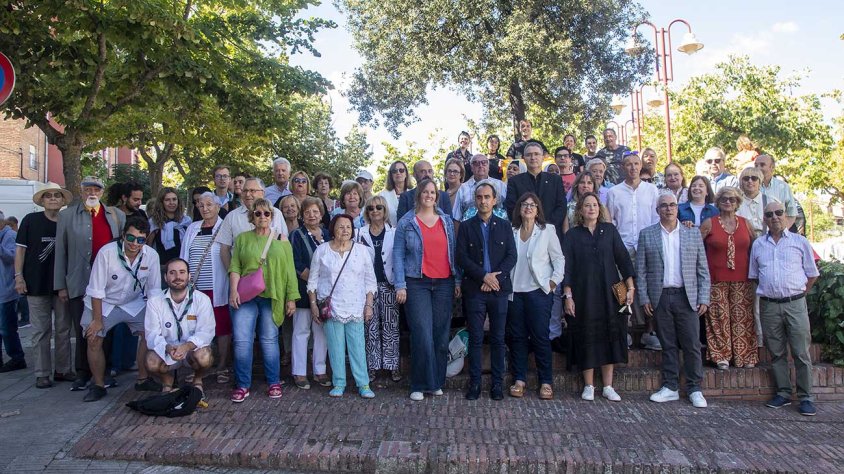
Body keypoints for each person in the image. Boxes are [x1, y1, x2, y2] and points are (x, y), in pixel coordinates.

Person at [636, 193, 710, 408]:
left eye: (672, 205)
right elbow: (641, 270)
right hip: (660, 296)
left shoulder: (691, 232)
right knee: (667, 345)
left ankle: (695, 388)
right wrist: (644, 298)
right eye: (664, 206)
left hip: (686, 296)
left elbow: (702, 269)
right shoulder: (647, 234)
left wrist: (704, 296)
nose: (668, 209)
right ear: (657, 210)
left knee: (692, 344)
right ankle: (670, 387)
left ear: (678, 208)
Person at [80, 216, 163, 402]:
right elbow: (96, 289)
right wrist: (97, 320)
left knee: (149, 333)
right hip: (104, 302)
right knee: (93, 338)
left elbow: (154, 290)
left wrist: (155, 318)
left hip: (134, 302)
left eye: (141, 240)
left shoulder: (151, 256)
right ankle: (99, 385)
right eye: (131, 238)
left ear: (146, 239)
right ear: (123, 235)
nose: (135, 244)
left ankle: (143, 379)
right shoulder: (106, 253)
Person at [55, 176, 126, 391]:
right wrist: (61, 285)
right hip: (79, 281)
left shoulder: (116, 215)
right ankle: (83, 372)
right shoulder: (67, 215)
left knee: (108, 328)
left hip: (109, 285)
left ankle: (106, 372)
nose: (92, 193)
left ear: (102, 192)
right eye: (88, 189)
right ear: (82, 191)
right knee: (83, 328)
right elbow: (61, 251)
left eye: (96, 189)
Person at [750, 201, 820, 416]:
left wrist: (798, 294)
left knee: (800, 352)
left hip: (795, 304)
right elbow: (754, 276)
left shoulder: (800, 242)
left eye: (779, 213)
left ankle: (806, 397)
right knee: (776, 352)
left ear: (787, 216)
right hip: (769, 306)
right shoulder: (759, 245)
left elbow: (813, 274)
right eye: (769, 214)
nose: (774, 217)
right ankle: (783, 392)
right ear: (765, 219)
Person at [393, 179, 459, 401]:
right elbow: (398, 255)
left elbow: (453, 252)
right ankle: (419, 384)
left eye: (433, 192)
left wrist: (457, 281)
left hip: (444, 283)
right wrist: (400, 285)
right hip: (416, 283)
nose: (429, 195)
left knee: (440, 336)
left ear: (436, 196)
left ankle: (436, 381)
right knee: (421, 333)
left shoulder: (446, 221)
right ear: (418, 194)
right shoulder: (407, 222)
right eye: (425, 192)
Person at [563, 192, 633, 401]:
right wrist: (568, 295)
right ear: (580, 210)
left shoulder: (610, 231)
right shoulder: (572, 235)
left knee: (610, 334)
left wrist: (630, 288)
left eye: (595, 205)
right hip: (583, 293)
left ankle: (608, 386)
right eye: (587, 205)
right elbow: (567, 268)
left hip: (611, 292)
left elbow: (623, 259)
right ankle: (589, 385)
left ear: (599, 209)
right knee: (586, 335)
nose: (591, 208)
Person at [228, 198, 298, 402]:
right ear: (252, 217)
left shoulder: (280, 239)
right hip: (246, 296)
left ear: (272, 216)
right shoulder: (242, 239)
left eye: (266, 213)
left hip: (272, 295)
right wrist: (233, 290)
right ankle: (242, 385)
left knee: (269, 340)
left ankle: (274, 382)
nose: (262, 217)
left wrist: (291, 298)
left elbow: (289, 270)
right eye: (257, 213)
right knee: (242, 341)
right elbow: (235, 267)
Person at [456, 183, 516, 400]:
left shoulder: (504, 226)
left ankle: (497, 384)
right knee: (476, 337)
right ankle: (475, 383)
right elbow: (461, 257)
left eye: (487, 197)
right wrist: (483, 276)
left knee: (499, 338)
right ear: (475, 200)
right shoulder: (465, 226)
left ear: (494, 200)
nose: (483, 201)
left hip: (499, 290)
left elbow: (512, 256)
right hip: (475, 290)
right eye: (479, 197)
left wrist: (494, 279)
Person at [307, 214, 377, 398]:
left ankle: (363, 384)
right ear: (333, 229)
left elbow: (370, 281)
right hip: (332, 308)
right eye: (340, 227)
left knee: (357, 347)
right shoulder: (322, 251)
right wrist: (313, 305)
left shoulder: (362, 251)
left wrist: (368, 306)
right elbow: (312, 281)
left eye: (348, 227)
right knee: (336, 347)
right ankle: (339, 383)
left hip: (355, 306)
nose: (345, 230)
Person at [12, 184, 74, 385]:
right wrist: (18, 276)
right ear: (42, 200)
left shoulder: (68, 221)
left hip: (61, 286)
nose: (53, 199)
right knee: (41, 331)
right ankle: (42, 373)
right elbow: (20, 251)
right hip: (35, 283)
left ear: (63, 200)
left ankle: (63, 370)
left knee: (63, 329)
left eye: (57, 195)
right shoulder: (30, 220)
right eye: (49, 196)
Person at [508, 193, 564, 400]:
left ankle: (546, 381)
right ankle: (519, 380)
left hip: (538, 291)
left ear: (538, 210)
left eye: (533, 205)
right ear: (519, 209)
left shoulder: (547, 231)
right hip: (515, 293)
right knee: (518, 338)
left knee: (541, 337)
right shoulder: (511, 231)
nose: (529, 208)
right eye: (525, 204)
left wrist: (553, 282)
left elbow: (558, 259)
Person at [606, 152, 660, 349]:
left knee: (649, 287)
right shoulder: (614, 192)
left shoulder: (652, 190)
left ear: (641, 166)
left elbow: (656, 219)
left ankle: (650, 330)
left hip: (647, 245)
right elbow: (610, 221)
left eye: (636, 164)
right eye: (628, 164)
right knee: (621, 288)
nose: (633, 168)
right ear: (622, 167)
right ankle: (625, 329)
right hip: (622, 247)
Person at [700, 187, 758, 370]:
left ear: (737, 203)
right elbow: (697, 249)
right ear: (718, 202)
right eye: (724, 199)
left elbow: (755, 249)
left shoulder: (746, 224)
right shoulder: (709, 223)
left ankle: (745, 355)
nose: (728, 202)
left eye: (732, 199)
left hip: (743, 279)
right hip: (715, 279)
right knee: (718, 318)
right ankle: (720, 355)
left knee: (743, 318)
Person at [180, 192, 232, 385]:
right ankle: (198, 366)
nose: (205, 208)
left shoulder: (225, 228)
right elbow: (184, 254)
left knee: (222, 327)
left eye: (209, 204)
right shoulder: (192, 228)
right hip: (196, 289)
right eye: (201, 205)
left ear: (218, 206)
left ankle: (222, 366)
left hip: (217, 287)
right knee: (195, 326)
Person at [144, 258, 215, 393]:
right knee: (150, 361)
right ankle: (167, 380)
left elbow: (207, 332)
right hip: (168, 351)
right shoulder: (154, 302)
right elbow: (152, 335)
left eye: (182, 272)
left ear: (189, 276)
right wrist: (168, 347)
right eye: (172, 273)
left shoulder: (202, 299)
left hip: (192, 351)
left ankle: (198, 379)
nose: (178, 277)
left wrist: (187, 346)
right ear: (165, 277)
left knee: (205, 357)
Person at [354, 196, 401, 383]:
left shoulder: (394, 233)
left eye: (379, 207)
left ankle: (392, 366)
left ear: (385, 210)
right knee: (370, 328)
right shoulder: (359, 233)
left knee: (391, 327)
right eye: (371, 208)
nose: (375, 211)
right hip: (368, 289)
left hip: (389, 285)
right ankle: (372, 366)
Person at [288, 198, 331, 390]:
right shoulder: (296, 235)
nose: (311, 215)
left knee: (321, 332)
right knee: (301, 332)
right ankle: (299, 372)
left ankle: (320, 371)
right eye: (307, 212)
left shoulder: (329, 234)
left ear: (321, 214)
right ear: (302, 215)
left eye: (315, 212)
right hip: (304, 291)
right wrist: (314, 279)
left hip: (324, 293)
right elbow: (296, 264)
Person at [218, 177, 288, 271]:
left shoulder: (276, 214)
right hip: (244, 276)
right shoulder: (231, 217)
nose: (247, 194)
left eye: (252, 191)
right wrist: (232, 273)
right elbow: (224, 250)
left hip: (273, 272)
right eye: (245, 190)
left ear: (262, 193)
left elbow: (284, 245)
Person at [504, 142, 566, 243]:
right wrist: (529, 226)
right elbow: (512, 207)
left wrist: (545, 227)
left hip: (551, 233)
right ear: (524, 159)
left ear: (542, 157)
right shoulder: (515, 181)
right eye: (529, 155)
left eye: (536, 154)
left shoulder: (555, 180)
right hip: (524, 234)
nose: (533, 157)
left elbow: (561, 206)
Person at [0, 210, 25, 374]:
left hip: (6, 290)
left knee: (7, 328)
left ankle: (17, 358)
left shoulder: (9, 236)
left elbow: (13, 257)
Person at [452, 154, 507, 223]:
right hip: (470, 231)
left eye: (484, 162)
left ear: (488, 166)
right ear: (471, 168)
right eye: (476, 163)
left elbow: (509, 211)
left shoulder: (501, 186)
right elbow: (456, 218)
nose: (480, 166)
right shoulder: (463, 188)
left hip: (497, 229)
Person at [148, 187, 192, 273]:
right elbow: (148, 246)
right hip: (160, 268)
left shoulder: (186, 221)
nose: (171, 203)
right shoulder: (154, 222)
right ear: (161, 202)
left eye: (174, 199)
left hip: (182, 268)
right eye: (167, 200)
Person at [755, 154, 798, 229]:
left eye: (762, 165)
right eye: (756, 165)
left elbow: (792, 213)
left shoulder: (783, 187)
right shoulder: (750, 186)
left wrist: (782, 231)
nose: (758, 168)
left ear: (772, 167)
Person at [378, 161, 410, 227]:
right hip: (389, 234)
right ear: (391, 175)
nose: (398, 173)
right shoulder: (382, 195)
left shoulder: (413, 194)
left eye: (401, 170)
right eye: (394, 171)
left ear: (406, 174)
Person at [737, 166, 767, 236]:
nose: (750, 181)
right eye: (746, 179)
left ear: (760, 181)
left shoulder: (771, 201)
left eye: (754, 178)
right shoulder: (736, 203)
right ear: (741, 182)